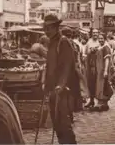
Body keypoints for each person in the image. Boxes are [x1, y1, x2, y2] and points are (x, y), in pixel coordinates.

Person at [43, 14, 79, 144]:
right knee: (57, 123)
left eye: (49, 28)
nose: (46, 31)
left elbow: (67, 66)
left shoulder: (63, 42)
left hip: (64, 91)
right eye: (45, 28)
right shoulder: (51, 43)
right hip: (53, 90)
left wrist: (61, 85)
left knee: (64, 124)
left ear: (56, 27)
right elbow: (50, 67)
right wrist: (46, 85)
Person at [90, 34, 114, 111]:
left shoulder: (106, 47)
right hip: (98, 69)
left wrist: (106, 71)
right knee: (101, 85)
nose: (100, 40)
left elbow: (107, 60)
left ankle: (102, 102)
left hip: (103, 69)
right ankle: (103, 103)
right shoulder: (99, 47)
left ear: (105, 39)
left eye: (102, 38)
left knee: (103, 85)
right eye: (99, 38)